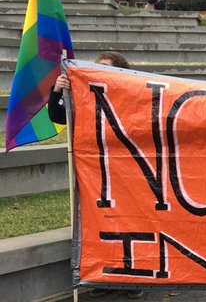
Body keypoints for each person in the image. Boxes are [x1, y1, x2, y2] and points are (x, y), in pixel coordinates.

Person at [48, 51, 142, 300]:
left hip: (125, 171)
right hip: (93, 171)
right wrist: (58, 90)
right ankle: (107, 277)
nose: (99, 70)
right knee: (99, 223)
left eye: (106, 68)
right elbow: (58, 116)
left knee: (130, 223)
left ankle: (134, 277)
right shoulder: (83, 92)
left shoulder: (132, 95)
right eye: (97, 66)